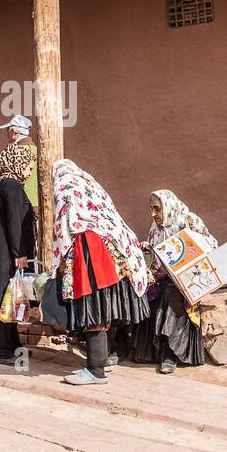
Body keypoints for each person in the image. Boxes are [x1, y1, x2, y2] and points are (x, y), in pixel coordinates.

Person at [51, 160, 150, 386]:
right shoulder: (89, 184)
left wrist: (59, 261)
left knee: (93, 309)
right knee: (103, 309)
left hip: (89, 253)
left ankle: (95, 370)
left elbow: (64, 227)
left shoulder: (64, 185)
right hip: (113, 249)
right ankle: (99, 363)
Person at [129, 190, 214, 374]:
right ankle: (146, 351)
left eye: (157, 209)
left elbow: (211, 245)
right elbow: (156, 259)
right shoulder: (156, 228)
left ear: (167, 207)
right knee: (145, 291)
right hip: (164, 279)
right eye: (151, 208)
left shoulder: (188, 221)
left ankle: (170, 353)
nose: (153, 214)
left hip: (189, 281)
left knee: (170, 295)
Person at [0, 147, 35, 363]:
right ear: (18, 162)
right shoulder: (11, 185)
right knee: (4, 301)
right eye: (28, 165)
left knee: (10, 299)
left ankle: (13, 346)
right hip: (6, 254)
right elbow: (14, 222)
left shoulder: (3, 184)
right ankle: (1, 351)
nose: (29, 170)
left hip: (2, 251)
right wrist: (19, 253)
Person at [0, 115, 39, 209]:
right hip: (35, 201)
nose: (7, 134)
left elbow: (12, 175)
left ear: (13, 132)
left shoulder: (16, 150)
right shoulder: (36, 150)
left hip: (19, 202)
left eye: (8, 130)